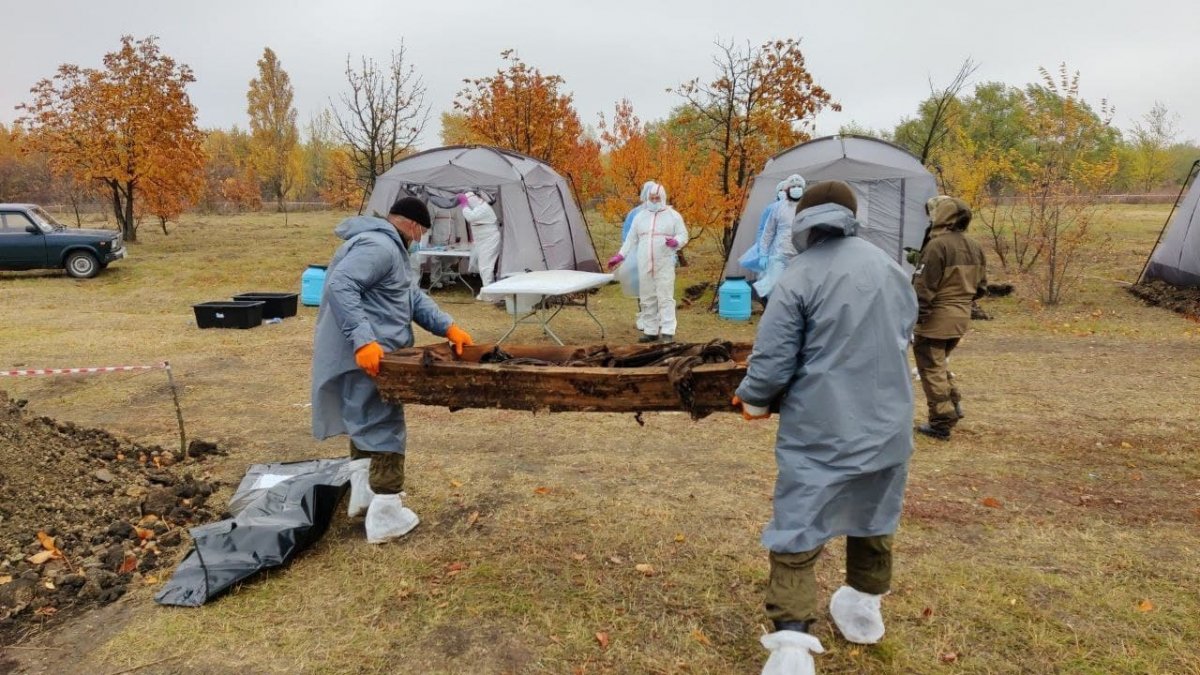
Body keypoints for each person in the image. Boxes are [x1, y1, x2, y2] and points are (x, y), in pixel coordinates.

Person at [731, 181, 917, 675]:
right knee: (874, 516)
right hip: (889, 425)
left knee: (798, 524)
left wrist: (753, 400)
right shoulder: (890, 268)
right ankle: (863, 611)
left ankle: (791, 646)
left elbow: (771, 361)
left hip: (822, 429)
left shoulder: (799, 275)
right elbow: (903, 335)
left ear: (805, 220)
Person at [311, 196, 474, 544]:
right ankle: (386, 515)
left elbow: (408, 297)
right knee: (385, 423)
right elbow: (341, 286)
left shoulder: (383, 246)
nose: (419, 242)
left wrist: (447, 326)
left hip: (370, 350)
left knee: (363, 416)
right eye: (421, 234)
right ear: (414, 226)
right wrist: (363, 339)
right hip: (374, 353)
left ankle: (364, 496)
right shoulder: (380, 247)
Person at [911, 196, 987, 441]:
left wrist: (915, 319)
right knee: (939, 365)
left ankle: (942, 421)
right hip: (960, 317)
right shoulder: (974, 246)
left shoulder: (937, 246)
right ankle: (953, 406)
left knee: (931, 369)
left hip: (936, 319)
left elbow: (923, 288)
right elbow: (981, 288)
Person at [608, 181, 689, 343]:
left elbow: (683, 235)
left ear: (663, 197)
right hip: (644, 263)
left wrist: (676, 242)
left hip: (664, 263)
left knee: (665, 297)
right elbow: (630, 240)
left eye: (657, 198)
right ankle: (651, 330)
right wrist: (620, 256)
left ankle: (667, 331)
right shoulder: (640, 217)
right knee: (647, 297)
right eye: (651, 198)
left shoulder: (673, 216)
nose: (654, 200)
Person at [752, 174, 807, 302]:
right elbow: (767, 232)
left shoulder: (806, 208)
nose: (796, 189)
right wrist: (763, 254)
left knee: (797, 288)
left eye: (799, 186)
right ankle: (774, 311)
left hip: (800, 256)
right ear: (787, 189)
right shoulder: (778, 208)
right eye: (793, 186)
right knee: (775, 286)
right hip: (780, 255)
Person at [460, 191, 502, 304]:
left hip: (490, 239)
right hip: (483, 240)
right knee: (484, 266)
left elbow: (470, 217)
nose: (467, 205)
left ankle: (489, 294)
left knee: (486, 266)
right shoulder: (479, 207)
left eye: (468, 202)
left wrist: (463, 205)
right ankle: (490, 291)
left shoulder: (483, 207)